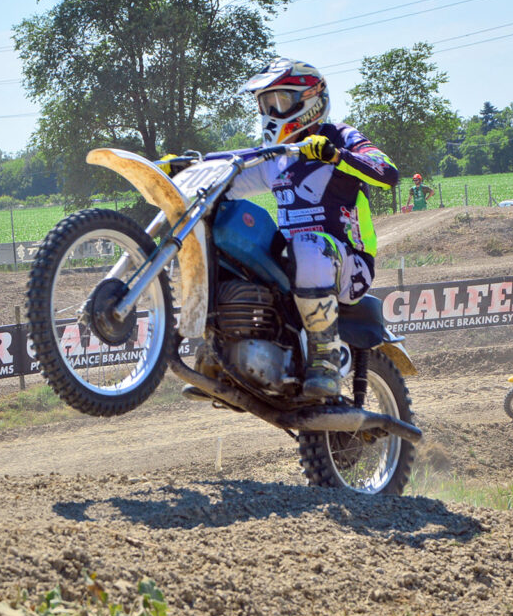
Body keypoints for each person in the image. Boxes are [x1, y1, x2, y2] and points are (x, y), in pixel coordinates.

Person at [163, 58, 398, 398]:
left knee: (307, 243)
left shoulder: (337, 136)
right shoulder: (278, 157)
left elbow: (387, 171)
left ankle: (325, 355)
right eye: (265, 104)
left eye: (281, 102)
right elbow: (234, 168)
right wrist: (189, 168)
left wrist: (335, 155)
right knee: (226, 234)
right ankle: (223, 348)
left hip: (349, 265)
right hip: (295, 265)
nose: (272, 112)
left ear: (310, 100)